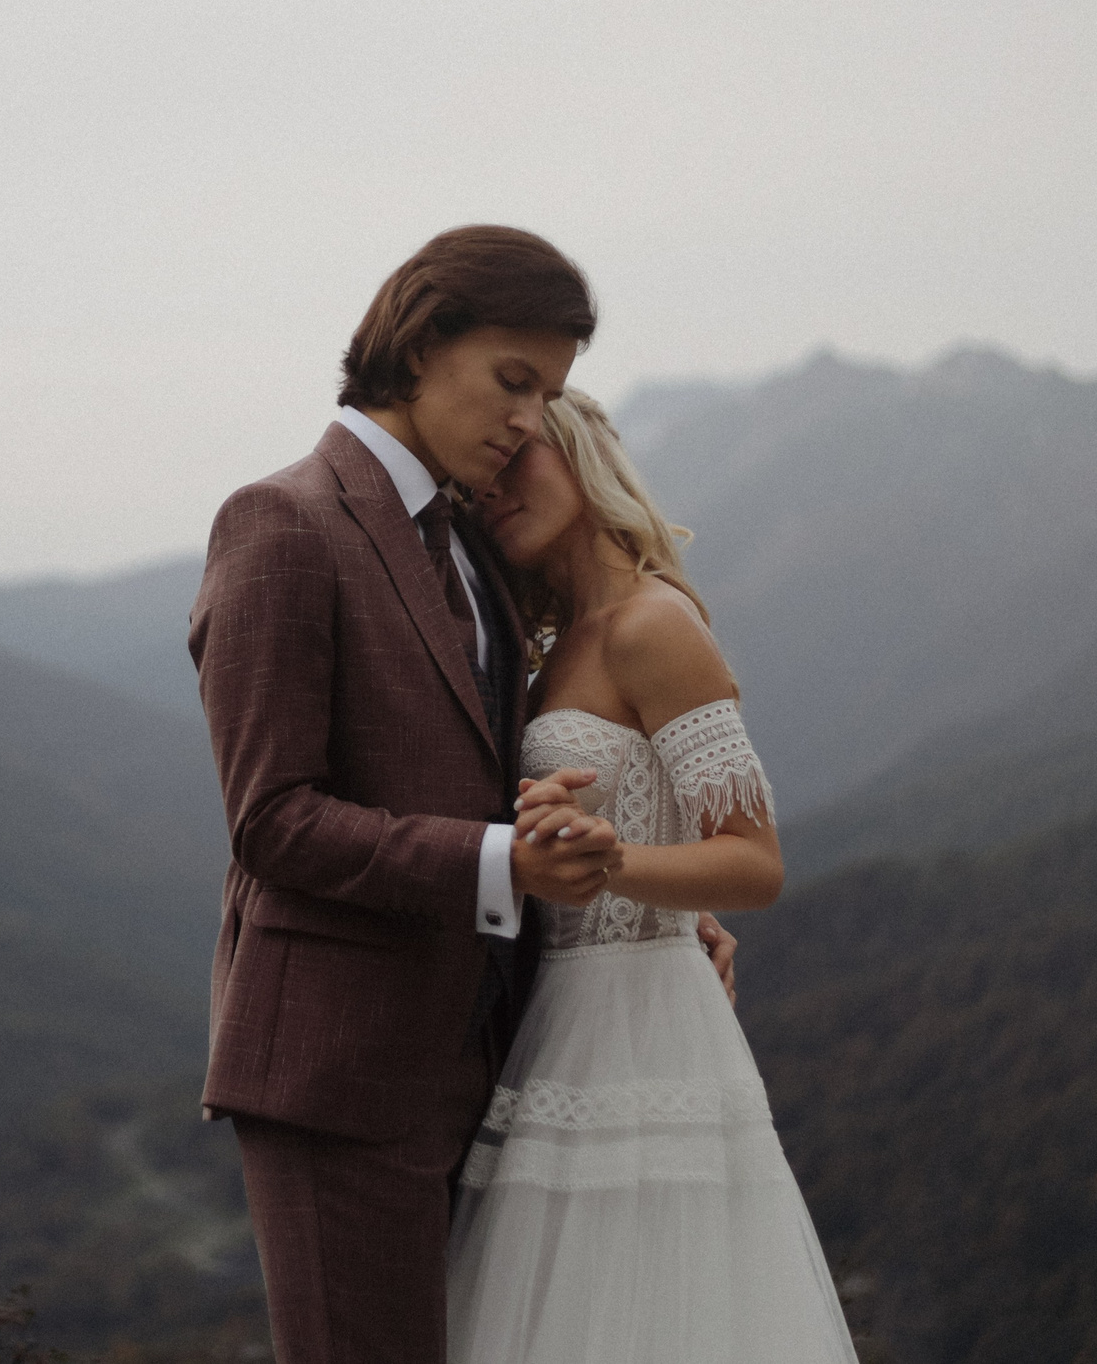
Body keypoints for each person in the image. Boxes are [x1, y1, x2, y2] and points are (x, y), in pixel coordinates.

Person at [188, 227, 734, 1364]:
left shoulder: (472, 547)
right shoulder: (281, 521)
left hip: (490, 1068)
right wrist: (503, 865)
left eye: (549, 396)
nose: (528, 420)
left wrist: (639, 903)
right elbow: (272, 819)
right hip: (341, 1075)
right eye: (512, 380)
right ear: (421, 343)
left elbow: (509, 779)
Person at [444, 386, 857, 1362]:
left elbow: (753, 861)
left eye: (521, 456)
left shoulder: (651, 624)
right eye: (480, 478)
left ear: (582, 453)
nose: (495, 489)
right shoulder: (547, 648)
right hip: (556, 1021)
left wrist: (613, 861)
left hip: (645, 1028)